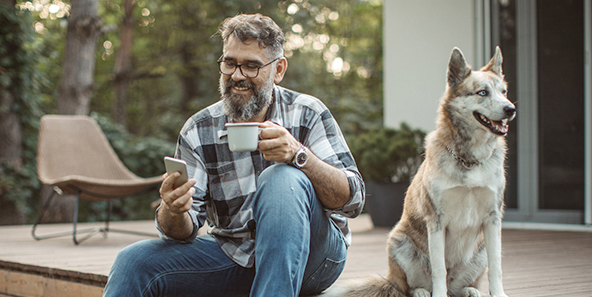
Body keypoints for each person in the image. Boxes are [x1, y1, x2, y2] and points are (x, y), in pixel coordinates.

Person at [103, 13, 365, 297]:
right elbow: (181, 231)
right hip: (235, 255)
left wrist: (299, 156)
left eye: (252, 66)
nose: (237, 75)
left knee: (282, 177)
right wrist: (173, 209)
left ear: (278, 70)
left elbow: (353, 200)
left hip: (316, 257)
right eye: (230, 63)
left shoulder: (308, 112)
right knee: (133, 262)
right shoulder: (198, 129)